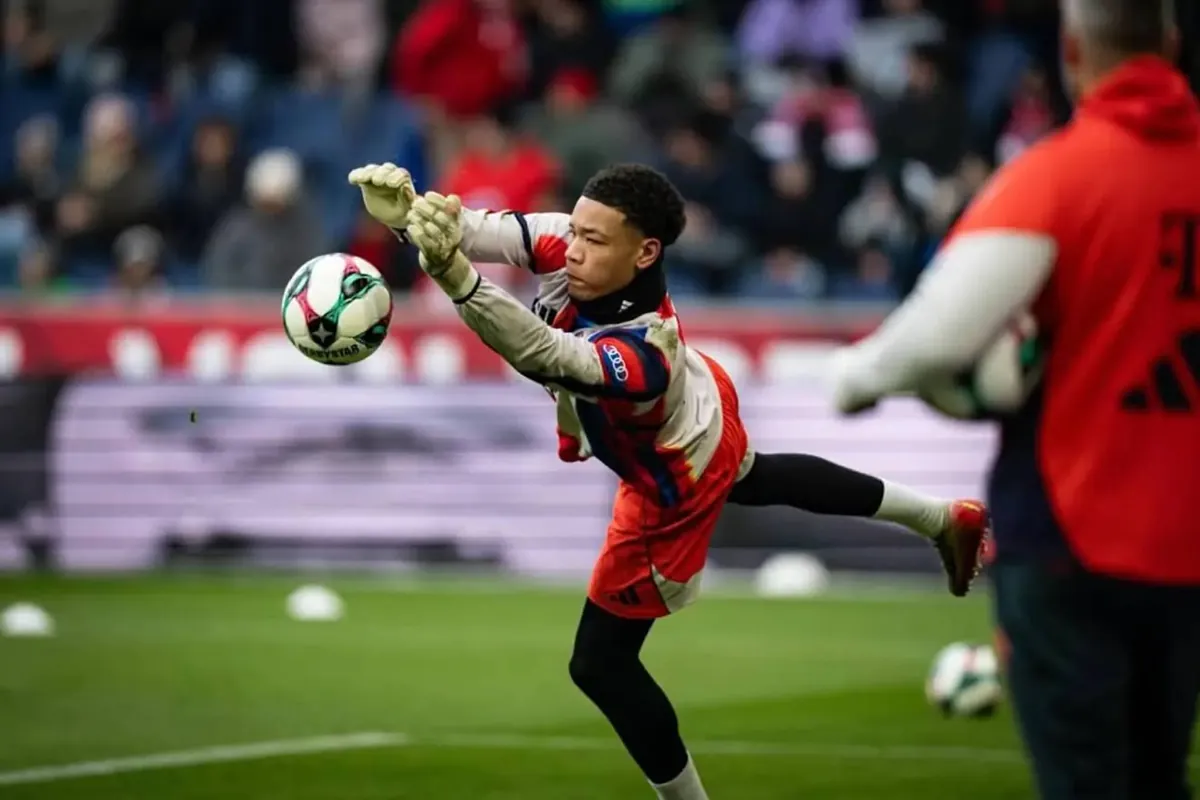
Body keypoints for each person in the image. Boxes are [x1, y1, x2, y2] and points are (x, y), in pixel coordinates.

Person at [349, 161, 990, 799]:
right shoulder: (583, 244)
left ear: (645, 251)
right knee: (756, 474)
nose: (571, 249)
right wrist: (411, 214)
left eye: (593, 240)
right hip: (703, 402)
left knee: (600, 665)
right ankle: (939, 517)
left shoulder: (643, 352)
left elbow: (545, 353)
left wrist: (459, 281)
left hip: (671, 474)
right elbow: (484, 230)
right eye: (574, 231)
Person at [828, 1, 1200, 797]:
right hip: (1189, 544)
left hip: (1075, 535)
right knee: (1160, 776)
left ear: (1070, 52)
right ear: (1170, 44)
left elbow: (935, 337)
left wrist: (853, 382)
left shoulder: (1057, 174)